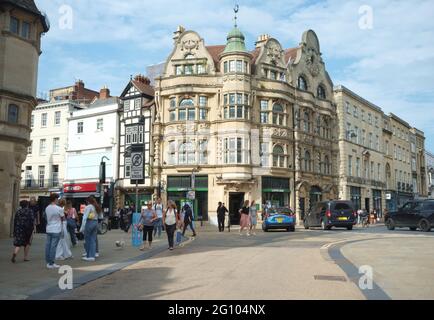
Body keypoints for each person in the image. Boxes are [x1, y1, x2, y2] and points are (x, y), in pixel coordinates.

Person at [44, 194, 64, 269]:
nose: (58, 200)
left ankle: (48, 262)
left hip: (49, 228)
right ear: (55, 199)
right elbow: (63, 218)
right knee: (53, 246)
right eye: (57, 199)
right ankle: (51, 263)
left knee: (48, 246)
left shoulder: (47, 208)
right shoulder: (59, 208)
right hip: (56, 229)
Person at [80, 196, 101, 262]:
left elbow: (85, 217)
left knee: (87, 240)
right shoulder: (96, 206)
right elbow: (100, 216)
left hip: (89, 222)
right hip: (95, 222)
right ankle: (92, 255)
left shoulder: (88, 207)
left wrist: (82, 227)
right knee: (93, 240)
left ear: (88, 201)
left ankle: (89, 255)